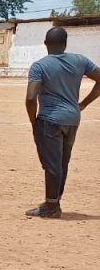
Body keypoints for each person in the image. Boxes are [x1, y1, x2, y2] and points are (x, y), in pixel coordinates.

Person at [24, 26, 100, 218]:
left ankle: (51, 207)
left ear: (45, 44)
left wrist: (34, 123)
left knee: (52, 165)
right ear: (65, 44)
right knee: (62, 163)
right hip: (72, 119)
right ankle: (54, 202)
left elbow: (31, 98)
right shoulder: (80, 60)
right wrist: (82, 104)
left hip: (49, 120)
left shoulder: (39, 66)